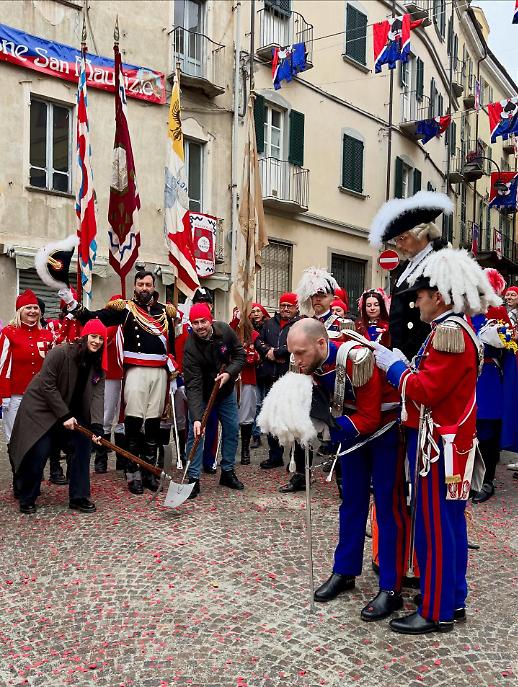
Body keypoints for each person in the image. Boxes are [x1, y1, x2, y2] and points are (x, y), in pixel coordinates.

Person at [373, 248, 499, 634]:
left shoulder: (448, 332)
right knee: (449, 524)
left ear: (440, 296)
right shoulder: (454, 329)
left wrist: (394, 367)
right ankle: (452, 598)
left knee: (436, 528)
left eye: (422, 295)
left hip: (437, 447)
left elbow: (427, 391)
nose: (417, 302)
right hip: (449, 444)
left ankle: (436, 608)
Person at [284, 319, 406, 620]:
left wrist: (327, 432)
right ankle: (345, 570)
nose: (296, 360)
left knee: (387, 508)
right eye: (293, 353)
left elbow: (370, 416)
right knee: (351, 503)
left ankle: (391, 587)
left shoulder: (356, 359)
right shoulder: (307, 359)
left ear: (321, 344)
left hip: (385, 431)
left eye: (300, 353)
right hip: (350, 429)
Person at [61, 271, 177, 495]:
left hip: (160, 373)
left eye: (148, 284)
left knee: (153, 424)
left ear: (154, 287)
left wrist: (173, 371)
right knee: (133, 422)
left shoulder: (165, 311)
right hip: (135, 370)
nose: (145, 288)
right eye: (141, 284)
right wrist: (72, 304)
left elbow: (169, 345)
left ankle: (149, 471)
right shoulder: (125, 309)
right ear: (135, 286)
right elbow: (94, 318)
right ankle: (132, 472)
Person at [9, 319, 107, 514]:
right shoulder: (60, 352)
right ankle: (27, 496)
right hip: (42, 412)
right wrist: (65, 415)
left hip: (70, 416)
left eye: (101, 338)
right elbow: (47, 385)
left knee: (83, 445)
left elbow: (97, 396)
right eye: (93, 336)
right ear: (85, 336)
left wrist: (96, 427)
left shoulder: (97, 366)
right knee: (39, 451)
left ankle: (79, 497)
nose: (96, 341)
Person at [369, 191, 453, 360]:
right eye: (396, 240)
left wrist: (409, 356)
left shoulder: (438, 262)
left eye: (403, 238)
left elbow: (436, 314)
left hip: (420, 351)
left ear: (420, 233)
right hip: (399, 350)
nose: (398, 245)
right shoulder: (407, 265)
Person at [183, 303, 246, 498]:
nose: (200, 326)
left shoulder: (225, 331)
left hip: (225, 391)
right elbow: (193, 384)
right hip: (202, 394)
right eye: (195, 323)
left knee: (232, 429)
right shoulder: (190, 347)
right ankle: (193, 478)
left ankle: (227, 471)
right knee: (196, 434)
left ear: (210, 320)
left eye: (203, 321)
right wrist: (196, 417)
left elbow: (239, 355)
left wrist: (229, 373)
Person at [0, 289, 54, 496]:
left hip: (40, 398)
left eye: (35, 308)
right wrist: (4, 395)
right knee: (15, 439)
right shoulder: (8, 333)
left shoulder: (47, 335)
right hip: (15, 395)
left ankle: (32, 481)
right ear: (19, 311)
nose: (33, 311)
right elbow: (2, 365)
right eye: (28, 308)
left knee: (37, 439)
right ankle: (19, 480)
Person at [470, 269, 518, 503]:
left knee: (486, 431)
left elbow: (510, 346)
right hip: (465, 377)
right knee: (466, 431)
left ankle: (486, 480)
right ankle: (467, 478)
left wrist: (499, 339)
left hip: (488, 376)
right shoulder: (463, 310)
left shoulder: (498, 312)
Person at [254, 292, 303, 473]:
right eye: (283, 305)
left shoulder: (300, 324)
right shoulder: (269, 324)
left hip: (290, 378)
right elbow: (258, 341)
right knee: (272, 418)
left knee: (293, 419)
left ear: (296, 307)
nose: (285, 309)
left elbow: (297, 345)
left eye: (289, 306)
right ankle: (275, 456)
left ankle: (295, 458)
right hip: (270, 377)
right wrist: (268, 351)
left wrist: (277, 352)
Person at [248, 302, 270, 450]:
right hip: (254, 371)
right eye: (253, 311)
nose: (256, 314)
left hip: (267, 370)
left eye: (258, 311)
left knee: (267, 403)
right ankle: (256, 435)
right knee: (256, 404)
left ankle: (269, 431)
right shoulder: (247, 328)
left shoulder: (269, 327)